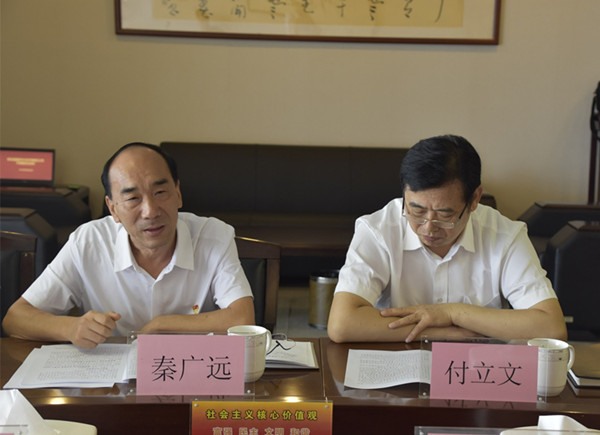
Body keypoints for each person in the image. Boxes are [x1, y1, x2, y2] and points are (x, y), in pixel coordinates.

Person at [2, 143, 255, 348]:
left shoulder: (214, 236)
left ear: (178, 193)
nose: (150, 211)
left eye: (160, 193)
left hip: (189, 376)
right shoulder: (88, 242)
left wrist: (161, 325)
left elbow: (242, 318)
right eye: (133, 198)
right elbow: (16, 319)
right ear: (112, 208)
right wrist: (71, 328)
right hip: (111, 383)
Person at [327, 135, 567, 343]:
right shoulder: (377, 230)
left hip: (477, 370)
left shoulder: (505, 236)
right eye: (416, 211)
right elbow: (342, 324)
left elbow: (551, 328)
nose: (428, 227)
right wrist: (445, 332)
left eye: (445, 214)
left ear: (475, 199)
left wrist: (452, 313)